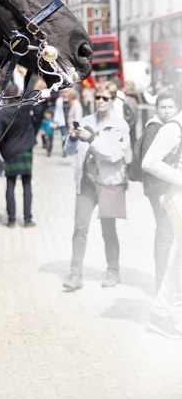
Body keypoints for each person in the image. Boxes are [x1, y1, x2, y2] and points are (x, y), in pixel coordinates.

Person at [62, 81, 131, 291]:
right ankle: (75, 275)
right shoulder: (85, 121)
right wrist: (73, 139)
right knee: (79, 229)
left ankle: (113, 270)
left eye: (105, 98)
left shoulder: (121, 126)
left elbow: (115, 155)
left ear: (112, 100)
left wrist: (92, 139)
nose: (100, 101)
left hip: (109, 183)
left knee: (108, 230)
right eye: (98, 97)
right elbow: (68, 149)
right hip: (86, 182)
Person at [142, 81, 182, 339]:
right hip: (177, 198)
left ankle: (161, 313)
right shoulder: (173, 127)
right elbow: (149, 162)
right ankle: (161, 314)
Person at [140, 89, 179, 293]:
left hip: (168, 189)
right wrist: (162, 192)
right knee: (165, 234)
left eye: (170, 107)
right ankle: (160, 282)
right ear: (156, 109)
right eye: (162, 107)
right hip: (159, 191)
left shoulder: (170, 127)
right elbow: (150, 165)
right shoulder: (154, 129)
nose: (166, 111)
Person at [0, 84, 36, 228]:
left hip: (9, 152)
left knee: (10, 184)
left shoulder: (0, 114)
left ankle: (11, 220)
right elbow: (30, 92)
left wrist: (4, 150)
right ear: (17, 94)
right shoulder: (24, 109)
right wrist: (27, 72)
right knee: (27, 184)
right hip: (25, 150)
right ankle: (27, 219)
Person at [53, 89, 70, 157]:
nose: (64, 94)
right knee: (64, 136)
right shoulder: (59, 100)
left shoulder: (71, 99)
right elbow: (57, 111)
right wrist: (55, 121)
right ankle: (64, 150)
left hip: (70, 122)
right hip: (62, 121)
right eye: (62, 92)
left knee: (70, 136)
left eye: (66, 92)